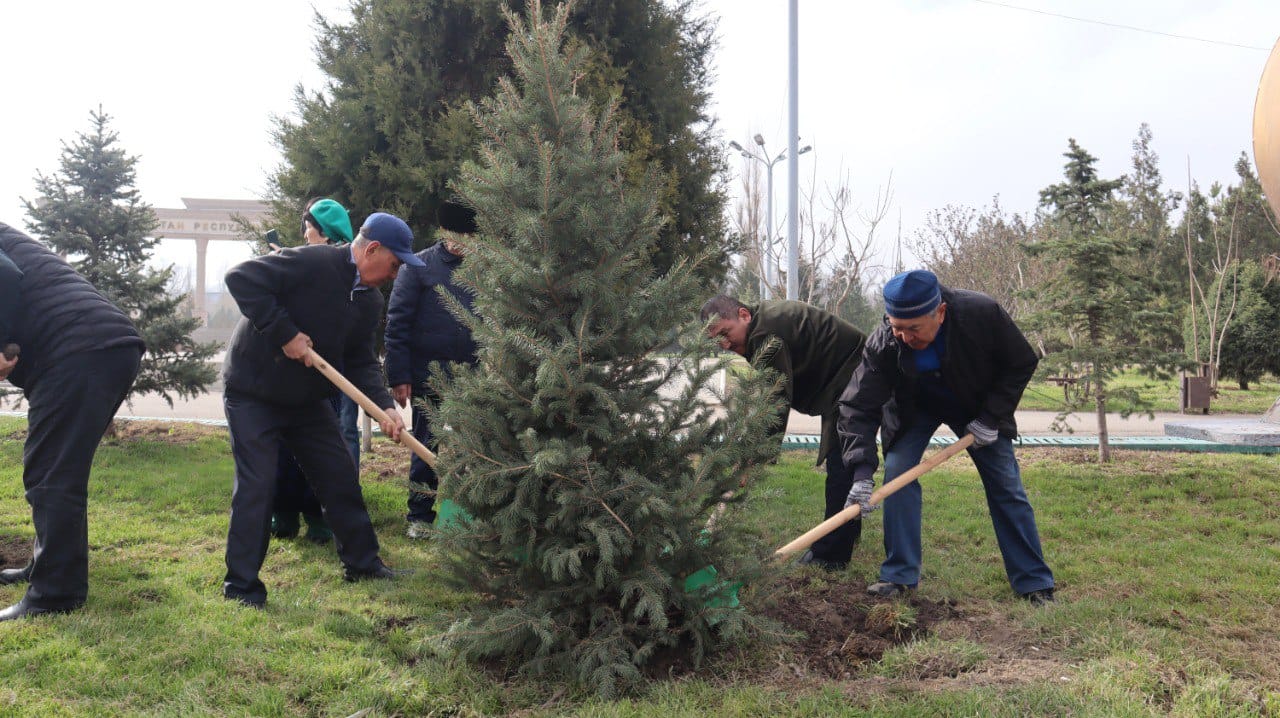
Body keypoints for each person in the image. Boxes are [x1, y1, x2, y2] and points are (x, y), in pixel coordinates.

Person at [220, 211, 424, 608]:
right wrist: (285, 334)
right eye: (395, 264)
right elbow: (240, 278)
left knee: (339, 476)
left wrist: (385, 407)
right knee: (258, 484)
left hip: (305, 399)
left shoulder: (368, 301)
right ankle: (241, 587)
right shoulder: (314, 262)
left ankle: (363, 564)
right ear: (373, 249)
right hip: (253, 391)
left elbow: (361, 360)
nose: (396, 274)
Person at [836, 269, 1056, 605]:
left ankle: (1034, 582)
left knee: (1005, 483)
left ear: (940, 312)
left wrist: (990, 417)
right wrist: (862, 474)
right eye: (897, 327)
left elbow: (1020, 362)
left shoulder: (981, 313)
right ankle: (898, 576)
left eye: (913, 328)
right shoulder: (883, 342)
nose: (905, 337)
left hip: (975, 404)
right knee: (897, 474)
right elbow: (858, 405)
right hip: (913, 407)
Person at [0, 222, 144, 620]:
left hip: (81, 350)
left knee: (51, 472)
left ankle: (54, 594)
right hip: (104, 346)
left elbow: (6, 275)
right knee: (59, 469)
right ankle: (46, 567)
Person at [701, 295, 867, 570]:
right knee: (843, 462)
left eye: (725, 334)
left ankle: (831, 554)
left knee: (841, 463)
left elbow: (776, 400)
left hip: (856, 375)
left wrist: (754, 458)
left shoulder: (766, 332)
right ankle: (847, 530)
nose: (725, 345)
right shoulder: (762, 323)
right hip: (844, 377)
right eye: (716, 341)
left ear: (744, 315)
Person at [384, 201, 479, 539]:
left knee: (478, 446)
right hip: (428, 374)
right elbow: (397, 323)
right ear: (445, 234)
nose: (463, 242)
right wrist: (399, 375)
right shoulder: (420, 266)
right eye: (458, 235)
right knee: (427, 445)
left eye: (470, 236)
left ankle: (473, 515)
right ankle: (420, 517)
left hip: (476, 376)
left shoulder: (485, 271)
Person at [270, 198, 358, 544]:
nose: (304, 232)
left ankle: (318, 515)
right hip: (288, 376)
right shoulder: (295, 262)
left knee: (321, 450)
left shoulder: (344, 272)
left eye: (308, 226)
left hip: (325, 380)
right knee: (284, 448)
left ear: (323, 233)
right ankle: (284, 513)